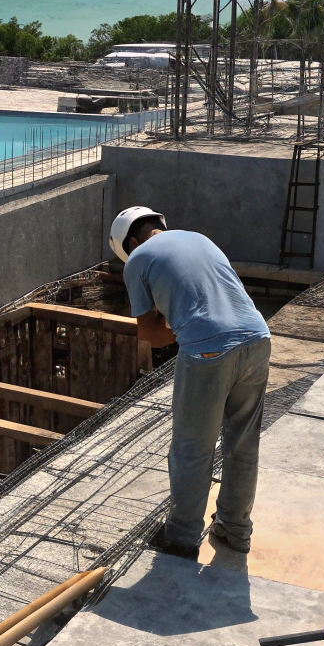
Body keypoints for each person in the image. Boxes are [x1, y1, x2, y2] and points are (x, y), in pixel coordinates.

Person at [110, 206, 272, 560]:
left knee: (191, 448)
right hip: (258, 339)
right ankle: (235, 529)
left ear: (132, 243)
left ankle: (182, 536)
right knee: (242, 443)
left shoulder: (138, 259)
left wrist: (173, 322)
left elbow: (151, 336)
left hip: (208, 352)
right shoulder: (200, 239)